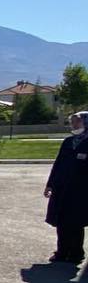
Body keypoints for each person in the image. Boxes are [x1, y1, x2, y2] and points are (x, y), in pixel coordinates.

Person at [45, 110, 88, 263]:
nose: (73, 124)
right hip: (62, 189)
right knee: (61, 221)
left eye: (77, 121)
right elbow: (58, 165)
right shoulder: (68, 142)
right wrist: (50, 184)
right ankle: (62, 252)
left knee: (76, 222)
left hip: (80, 191)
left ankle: (76, 253)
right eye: (73, 121)